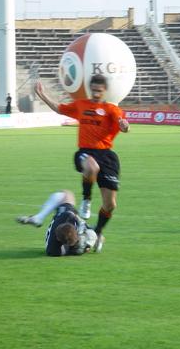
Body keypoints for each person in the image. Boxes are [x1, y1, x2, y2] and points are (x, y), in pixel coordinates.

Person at [34, 74, 129, 250]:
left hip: (107, 156)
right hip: (85, 152)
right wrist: (43, 95)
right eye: (93, 90)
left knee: (110, 205)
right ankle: (86, 199)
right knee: (91, 166)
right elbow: (59, 108)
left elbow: (122, 123)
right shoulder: (81, 105)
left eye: (99, 91)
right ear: (90, 89)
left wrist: (124, 126)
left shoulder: (111, 109)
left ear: (104, 91)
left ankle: (97, 232)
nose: (96, 93)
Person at [17, 190, 99, 256]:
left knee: (66, 193)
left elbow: (72, 217)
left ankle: (39, 217)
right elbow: (81, 225)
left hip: (64, 219)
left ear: (58, 238)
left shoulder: (53, 251)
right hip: (76, 234)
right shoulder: (73, 246)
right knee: (91, 234)